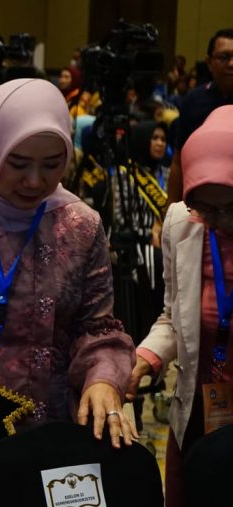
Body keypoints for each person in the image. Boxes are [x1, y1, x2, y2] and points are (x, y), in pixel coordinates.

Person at [0, 78, 136, 447]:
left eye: (51, 164)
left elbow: (97, 328)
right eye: (17, 163)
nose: (34, 181)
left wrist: (103, 378)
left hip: (50, 429)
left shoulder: (79, 225)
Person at [124, 106, 233, 505]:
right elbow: (173, 316)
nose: (219, 221)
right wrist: (145, 358)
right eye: (206, 208)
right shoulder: (181, 223)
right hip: (199, 410)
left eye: (231, 207)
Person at [168, 28, 233, 203]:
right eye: (224, 57)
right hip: (199, 201)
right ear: (209, 63)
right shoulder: (193, 100)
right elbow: (178, 161)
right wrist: (171, 209)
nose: (231, 63)